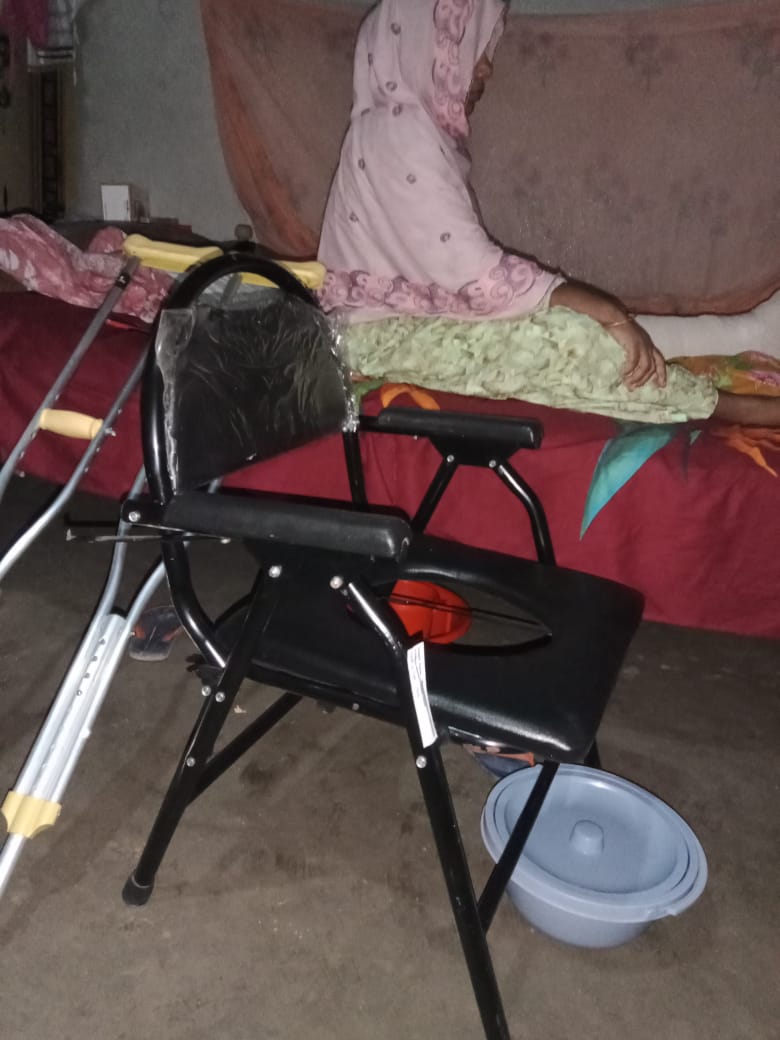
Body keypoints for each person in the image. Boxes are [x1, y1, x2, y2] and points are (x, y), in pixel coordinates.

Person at [317, 0, 780, 428]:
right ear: (431, 44)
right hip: (378, 343)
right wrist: (603, 311)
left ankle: (729, 359)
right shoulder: (399, 131)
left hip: (394, 329)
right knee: (568, 338)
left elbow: (447, 277)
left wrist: (598, 314)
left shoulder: (397, 126)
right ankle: (728, 406)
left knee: (575, 327)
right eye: (474, 47)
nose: (486, 67)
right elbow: (477, 276)